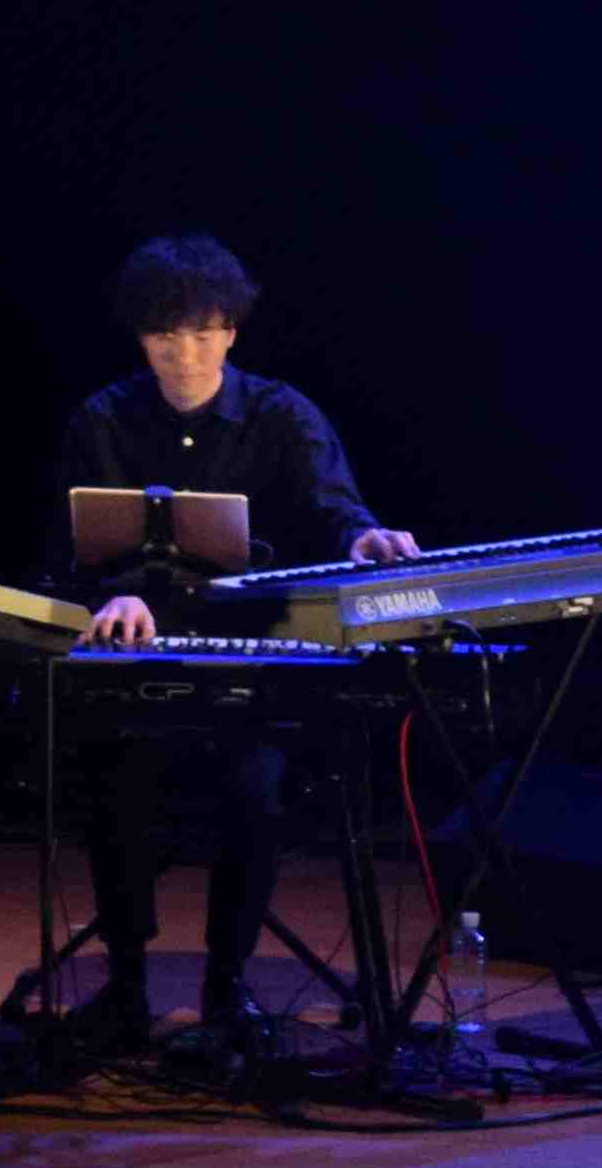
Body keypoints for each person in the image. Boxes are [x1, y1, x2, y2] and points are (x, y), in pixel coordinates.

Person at [45, 232, 416, 1049]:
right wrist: (113, 594)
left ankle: (225, 987)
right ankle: (127, 985)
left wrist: (363, 536)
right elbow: (73, 547)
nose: (185, 355)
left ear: (232, 332)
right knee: (114, 789)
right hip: (137, 657)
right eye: (164, 336)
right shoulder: (102, 418)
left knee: (255, 791)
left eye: (204, 334)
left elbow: (335, 508)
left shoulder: (282, 414)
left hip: (252, 658)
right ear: (140, 336)